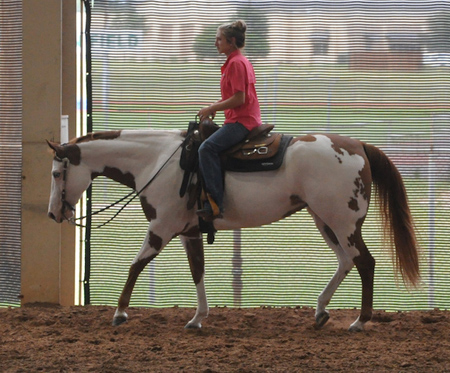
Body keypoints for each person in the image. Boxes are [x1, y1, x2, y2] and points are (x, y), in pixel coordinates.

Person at [197, 20, 262, 221]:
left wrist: (211, 108)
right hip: (238, 118)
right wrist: (216, 105)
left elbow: (239, 98)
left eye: (219, 39)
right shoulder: (237, 61)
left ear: (231, 41)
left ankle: (215, 203)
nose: (216, 43)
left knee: (206, 149)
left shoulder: (236, 63)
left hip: (242, 122)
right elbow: (235, 96)